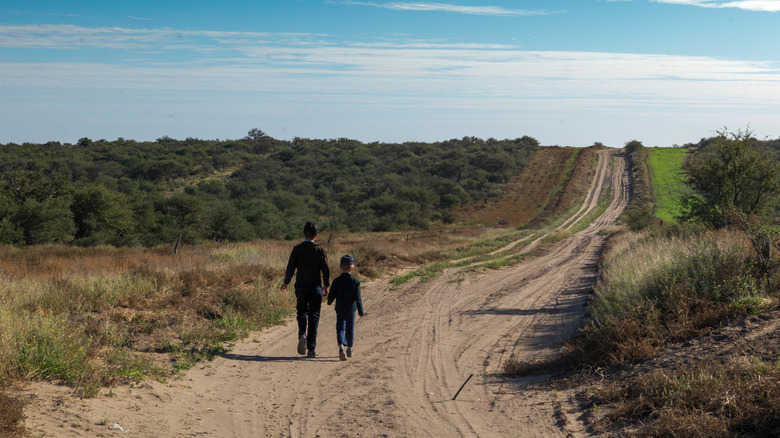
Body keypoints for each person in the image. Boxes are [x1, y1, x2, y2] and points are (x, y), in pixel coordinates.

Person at [281, 221, 330, 357]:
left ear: (303, 233)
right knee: (314, 316)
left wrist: (286, 282)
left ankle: (302, 334)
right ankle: (311, 349)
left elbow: (290, 268)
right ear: (316, 235)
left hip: (301, 286)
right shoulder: (320, 250)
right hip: (315, 288)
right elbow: (325, 269)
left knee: (301, 313)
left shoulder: (296, 249)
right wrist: (326, 284)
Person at [327, 254, 365, 361]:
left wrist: (329, 302)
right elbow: (358, 298)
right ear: (352, 268)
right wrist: (361, 312)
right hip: (351, 309)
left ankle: (341, 347)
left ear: (340, 267)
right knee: (350, 328)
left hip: (340, 308)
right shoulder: (355, 282)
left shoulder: (336, 281)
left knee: (340, 328)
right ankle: (349, 349)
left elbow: (332, 295)